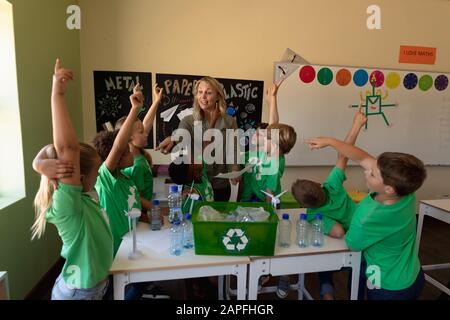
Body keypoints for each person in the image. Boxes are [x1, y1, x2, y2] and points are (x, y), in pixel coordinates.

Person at [305, 138, 427, 300]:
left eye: (373, 174)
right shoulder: (406, 193)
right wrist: (330, 141)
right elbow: (362, 158)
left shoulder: (367, 217)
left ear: (389, 189)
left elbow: (353, 244)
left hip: (386, 286)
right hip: (413, 275)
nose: (366, 171)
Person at [31, 59, 113, 300]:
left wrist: (37, 163)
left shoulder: (86, 196)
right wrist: (57, 94)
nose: (98, 177)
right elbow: (67, 148)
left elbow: (56, 152)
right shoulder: (69, 206)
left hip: (91, 287)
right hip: (79, 292)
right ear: (76, 177)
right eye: (95, 172)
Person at [291, 106, 367, 299]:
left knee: (324, 259)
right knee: (355, 269)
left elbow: (338, 232)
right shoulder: (332, 184)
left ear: (305, 206)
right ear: (319, 184)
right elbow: (344, 154)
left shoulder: (311, 215)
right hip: (362, 229)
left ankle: (327, 292)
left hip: (351, 241)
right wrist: (356, 124)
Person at [156, 76, 240, 201]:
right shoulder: (188, 121)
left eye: (208, 92)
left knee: (219, 218)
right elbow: (180, 134)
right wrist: (172, 139)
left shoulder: (229, 121)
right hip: (196, 185)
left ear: (218, 96)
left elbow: (233, 148)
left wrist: (234, 169)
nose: (203, 97)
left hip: (220, 184)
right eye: (200, 92)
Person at [92, 85, 144, 256]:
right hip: (117, 247)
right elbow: (118, 144)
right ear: (118, 157)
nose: (131, 152)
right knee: (120, 280)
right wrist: (134, 109)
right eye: (127, 151)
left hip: (133, 239)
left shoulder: (125, 178)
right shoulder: (106, 179)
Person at [115, 83, 163, 221]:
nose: (146, 133)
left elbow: (146, 123)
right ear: (129, 138)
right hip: (140, 217)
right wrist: (149, 218)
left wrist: (156, 101)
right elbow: (137, 199)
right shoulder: (136, 166)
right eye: (141, 132)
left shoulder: (138, 153)